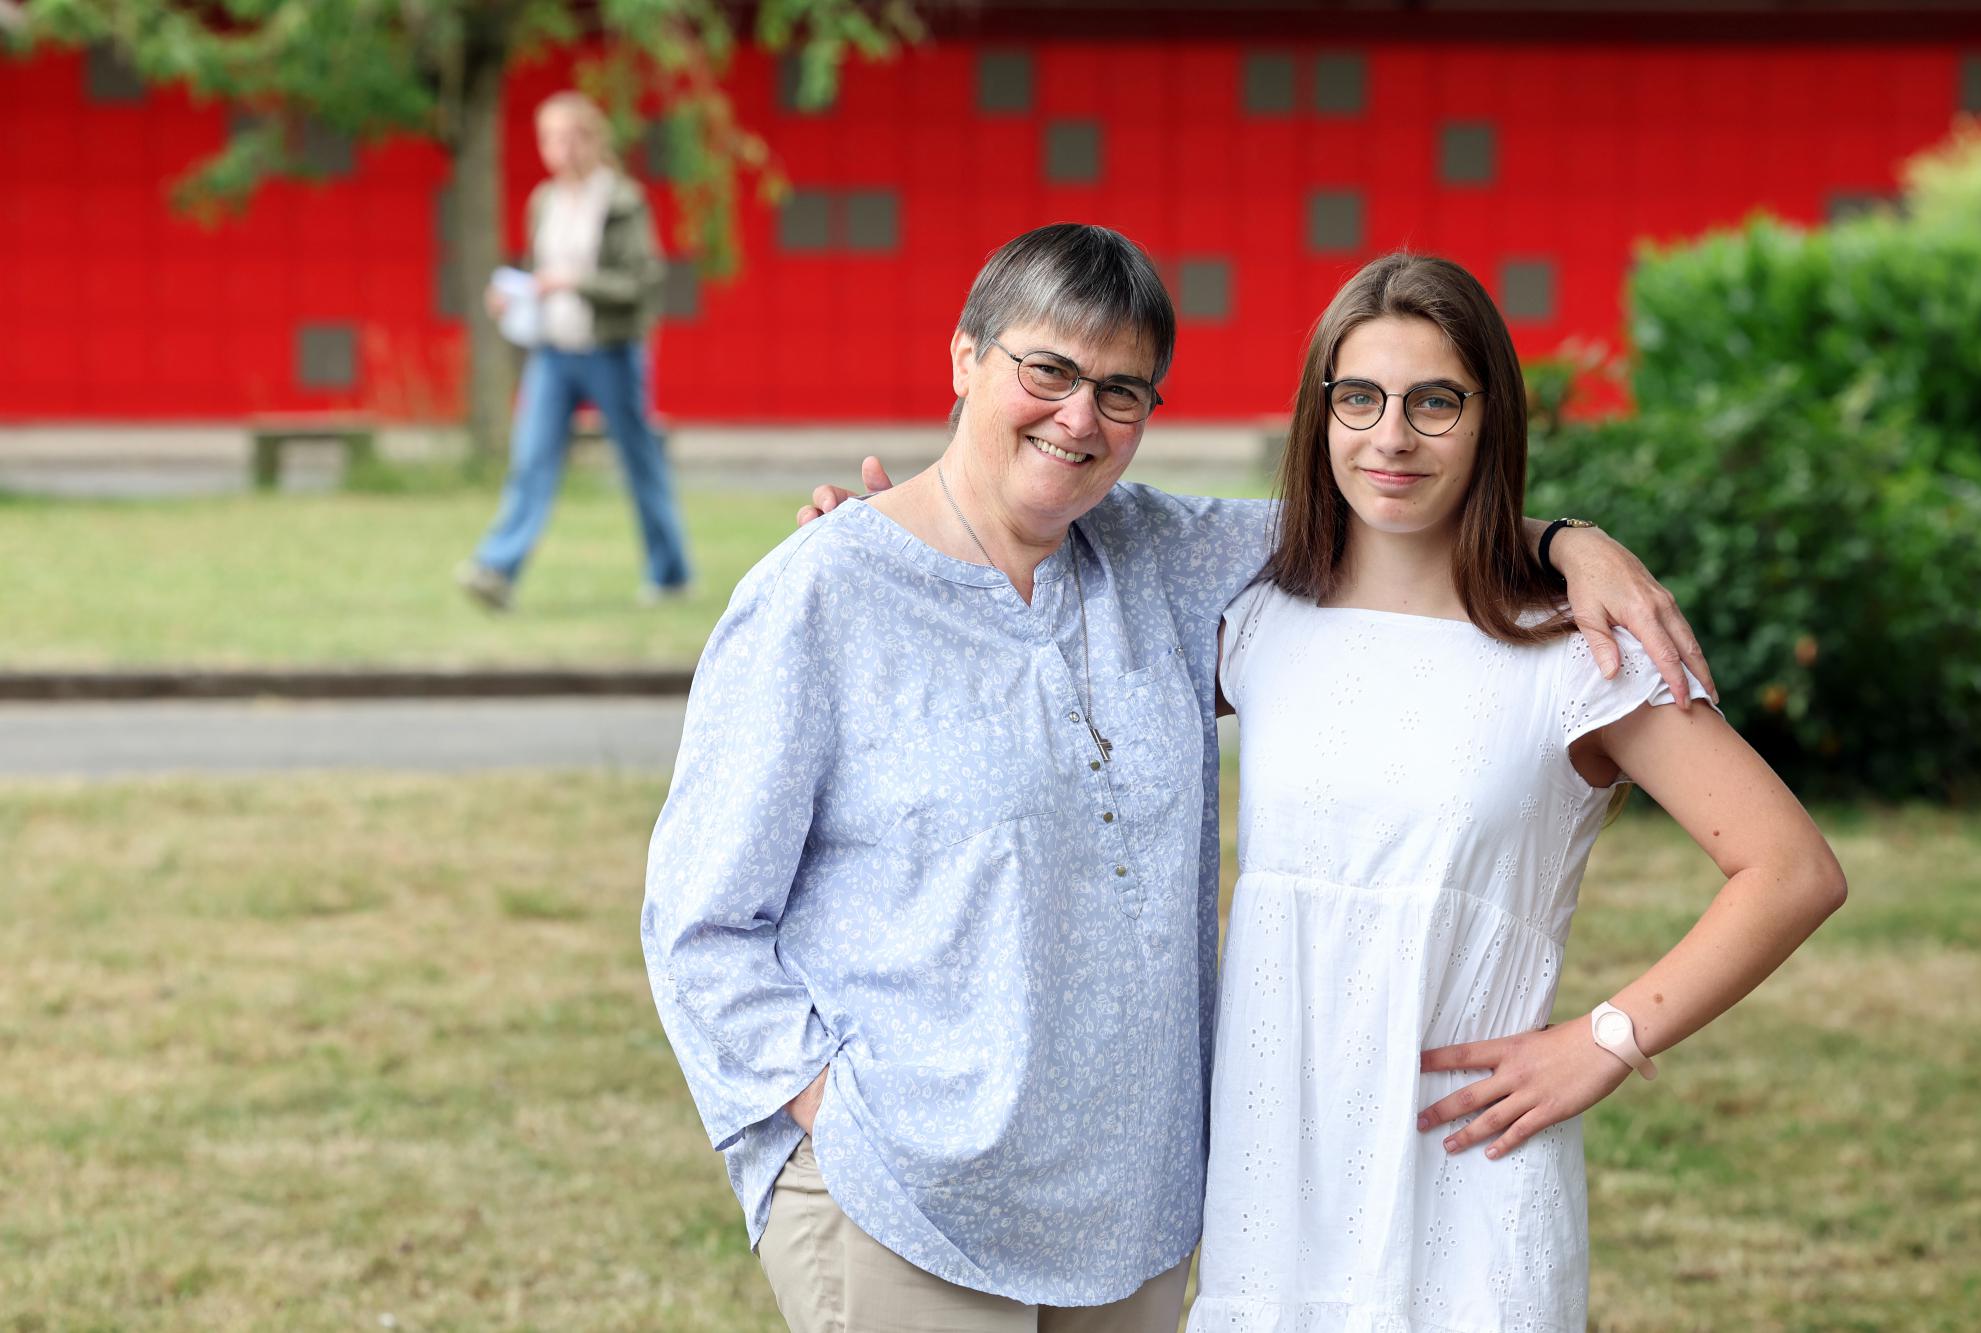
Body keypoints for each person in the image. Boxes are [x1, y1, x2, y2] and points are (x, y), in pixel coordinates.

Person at [646, 224, 1702, 1333]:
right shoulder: (820, 597)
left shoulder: (1162, 557)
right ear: (964, 357)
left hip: (1132, 1218)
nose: (1078, 418)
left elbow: (1396, 511)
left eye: (1120, 391)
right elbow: (700, 921)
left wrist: (1564, 541)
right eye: (1045, 370)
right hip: (905, 1198)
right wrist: (834, 1114)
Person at [1184, 254, 1846, 1330]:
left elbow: (1791, 869)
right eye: (1358, 397)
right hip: (1273, 1167)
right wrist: (894, 531)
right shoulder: (1256, 621)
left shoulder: (1573, 649)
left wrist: (1603, 1040)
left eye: (1432, 402)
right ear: (1320, 414)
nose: (1389, 437)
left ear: (1490, 418)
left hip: (1467, 1167)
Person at [456, 91, 691, 612]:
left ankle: (670, 572)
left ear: (591, 139)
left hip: (611, 350)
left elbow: (640, 282)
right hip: (554, 352)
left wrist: (573, 282)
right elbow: (540, 275)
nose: (559, 148)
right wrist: (514, 294)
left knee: (639, 463)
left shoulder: (622, 201)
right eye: (549, 138)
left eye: (569, 136)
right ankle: (496, 569)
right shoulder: (543, 201)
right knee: (532, 460)